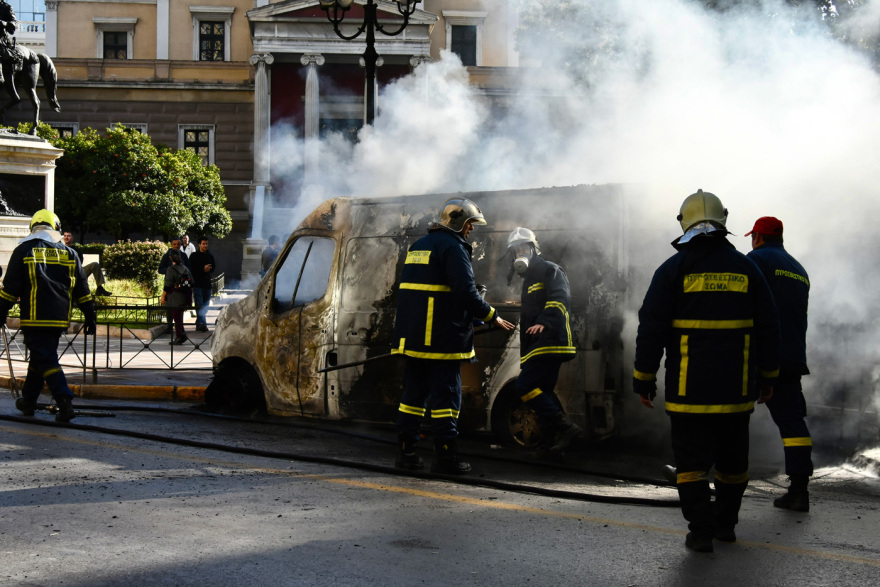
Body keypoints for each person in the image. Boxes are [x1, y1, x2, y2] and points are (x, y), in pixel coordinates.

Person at [633, 189, 780, 553]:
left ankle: (700, 532)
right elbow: (768, 326)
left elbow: (651, 328)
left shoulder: (672, 269)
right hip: (736, 392)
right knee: (733, 464)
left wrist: (644, 378)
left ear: (684, 222)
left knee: (692, 466)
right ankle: (726, 526)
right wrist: (769, 376)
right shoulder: (748, 268)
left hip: (689, 393)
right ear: (723, 220)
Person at [391, 198, 514, 475]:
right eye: (470, 225)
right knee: (447, 399)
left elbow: (427, 292)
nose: (471, 231)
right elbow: (465, 293)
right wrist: (492, 314)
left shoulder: (419, 246)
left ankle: (405, 453)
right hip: (441, 340)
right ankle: (446, 458)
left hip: (414, 339)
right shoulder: (454, 248)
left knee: (412, 397)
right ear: (459, 223)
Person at [0, 209, 97, 422]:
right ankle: (29, 401)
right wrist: (90, 316)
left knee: (45, 357)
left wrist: (1, 310)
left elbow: (10, 289)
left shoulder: (25, 250)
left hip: (35, 317)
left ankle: (64, 401)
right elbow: (82, 288)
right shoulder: (69, 254)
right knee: (40, 357)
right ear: (57, 228)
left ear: (32, 228)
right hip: (60, 317)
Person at [745, 216, 812, 512]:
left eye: (752, 236)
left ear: (757, 237)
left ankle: (704, 482)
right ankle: (799, 491)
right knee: (793, 424)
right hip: (792, 356)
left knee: (726, 416)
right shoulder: (799, 269)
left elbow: (746, 306)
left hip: (759, 354)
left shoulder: (755, 261)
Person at [506, 227, 582, 456]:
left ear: (533, 248)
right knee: (544, 391)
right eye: (516, 249)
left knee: (525, 386)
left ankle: (567, 428)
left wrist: (545, 322)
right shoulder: (528, 280)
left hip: (550, 340)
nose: (520, 252)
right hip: (538, 342)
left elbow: (560, 299)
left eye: (524, 247)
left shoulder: (550, 270)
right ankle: (552, 442)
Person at [61, 230, 113, 296]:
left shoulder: (77, 250)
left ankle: (100, 288)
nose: (66, 237)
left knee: (95, 265)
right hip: (65, 274)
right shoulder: (61, 249)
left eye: (68, 236)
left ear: (72, 238)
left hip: (77, 273)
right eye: (65, 236)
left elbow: (80, 263)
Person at [160, 249, 193, 345]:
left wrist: (163, 297)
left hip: (174, 297)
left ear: (170, 258)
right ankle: (182, 335)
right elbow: (192, 282)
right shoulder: (185, 268)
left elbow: (167, 285)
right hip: (184, 296)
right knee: (179, 317)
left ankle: (179, 336)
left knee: (177, 318)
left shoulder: (170, 269)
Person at [188, 236, 215, 332]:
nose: (205, 245)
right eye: (203, 244)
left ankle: (199, 322)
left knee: (205, 305)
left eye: (206, 244)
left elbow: (214, 267)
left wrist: (209, 269)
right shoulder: (194, 256)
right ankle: (203, 324)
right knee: (199, 304)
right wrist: (203, 269)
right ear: (199, 244)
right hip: (197, 283)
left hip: (207, 284)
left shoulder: (209, 256)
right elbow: (191, 268)